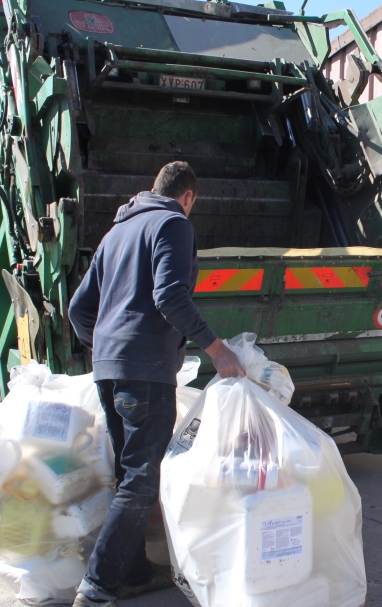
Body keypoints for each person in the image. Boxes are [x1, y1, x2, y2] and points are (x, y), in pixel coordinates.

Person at [68, 162, 245, 607]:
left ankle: (133, 572)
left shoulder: (114, 234)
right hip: (145, 372)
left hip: (108, 370)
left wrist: (109, 346)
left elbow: (78, 309)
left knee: (128, 474)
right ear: (188, 197)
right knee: (142, 480)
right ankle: (97, 586)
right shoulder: (174, 223)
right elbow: (170, 294)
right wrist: (217, 348)